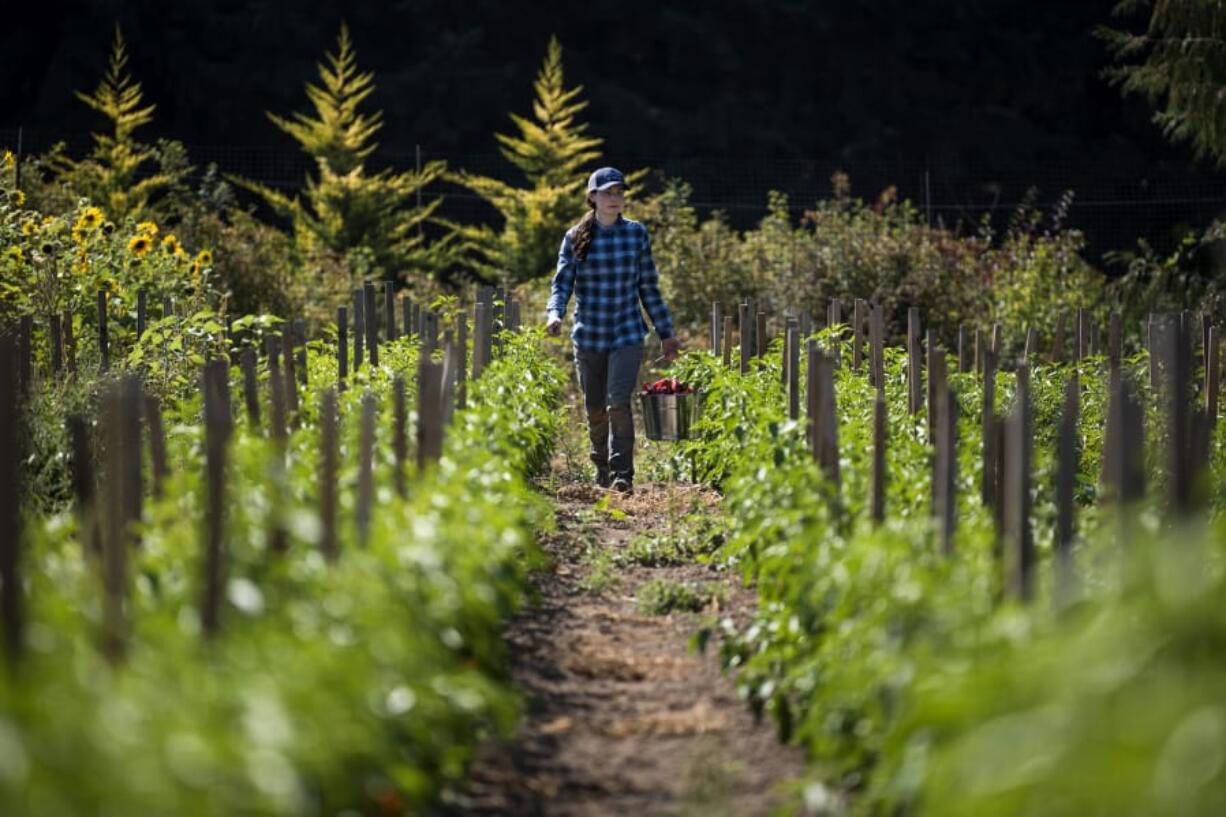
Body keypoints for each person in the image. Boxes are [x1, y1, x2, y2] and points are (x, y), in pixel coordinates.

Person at [547, 166, 682, 493]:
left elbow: (648, 286)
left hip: (626, 333)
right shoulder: (575, 236)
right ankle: (602, 469)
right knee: (594, 408)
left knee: (617, 401)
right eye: (607, 192)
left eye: (619, 192)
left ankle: (623, 475)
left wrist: (666, 332)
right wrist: (555, 313)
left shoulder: (636, 234)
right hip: (589, 334)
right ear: (592, 197)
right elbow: (562, 282)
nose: (614, 198)